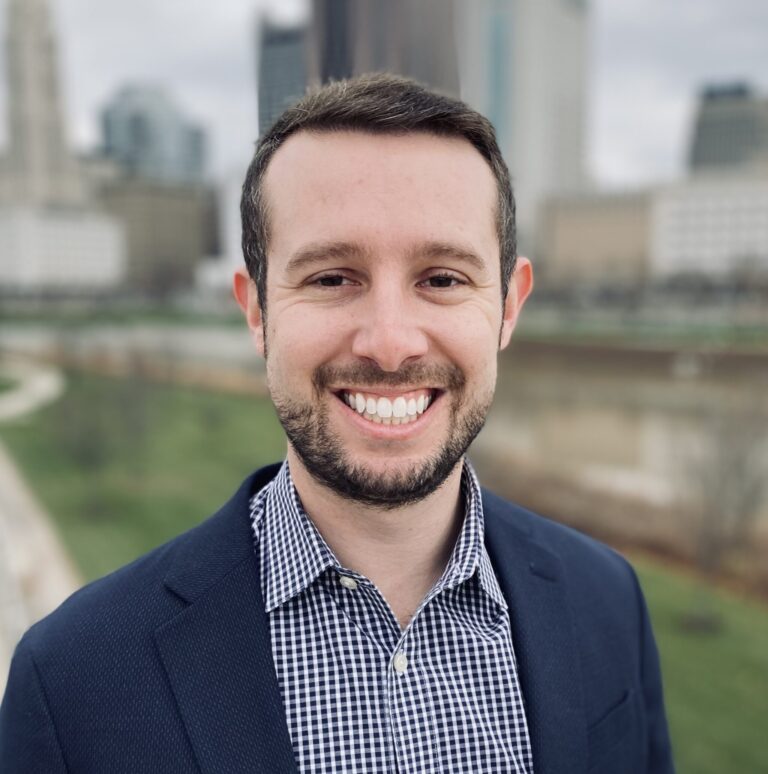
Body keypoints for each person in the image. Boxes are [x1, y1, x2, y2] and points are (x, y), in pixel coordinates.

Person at [0, 74, 674, 773]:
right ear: (256, 309)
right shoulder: (73, 682)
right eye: (331, 278)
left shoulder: (607, 600)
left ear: (508, 306)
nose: (389, 342)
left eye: (442, 278)